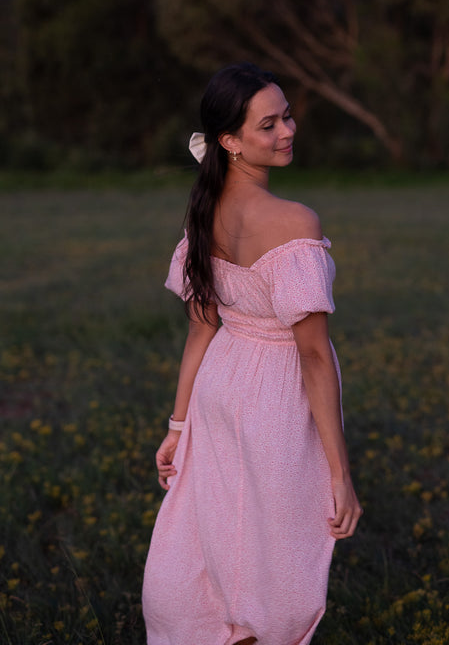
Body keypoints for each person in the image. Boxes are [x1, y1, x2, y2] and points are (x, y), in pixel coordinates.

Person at [142, 63, 363, 645]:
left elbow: (201, 332)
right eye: (268, 124)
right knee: (270, 552)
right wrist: (340, 473)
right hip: (275, 399)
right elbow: (313, 356)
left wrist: (179, 424)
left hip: (219, 387)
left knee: (219, 533)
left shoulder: (203, 213)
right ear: (230, 141)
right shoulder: (293, 223)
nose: (288, 131)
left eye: (287, 115)